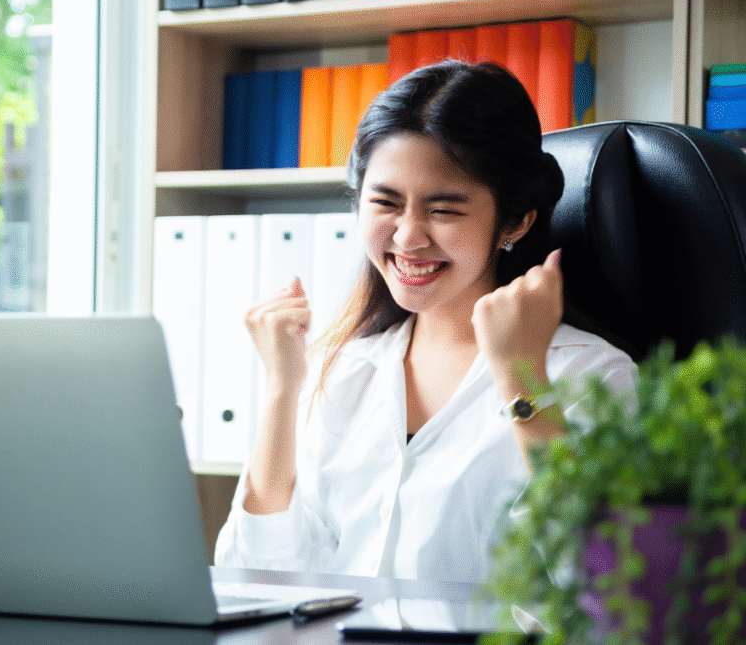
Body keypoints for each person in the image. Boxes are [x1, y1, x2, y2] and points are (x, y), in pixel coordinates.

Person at [213, 60, 637, 583]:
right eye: (385, 202)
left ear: (515, 220)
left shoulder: (592, 375)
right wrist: (283, 392)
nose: (408, 237)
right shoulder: (342, 368)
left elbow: (598, 582)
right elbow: (253, 579)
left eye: (443, 210)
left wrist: (521, 377)